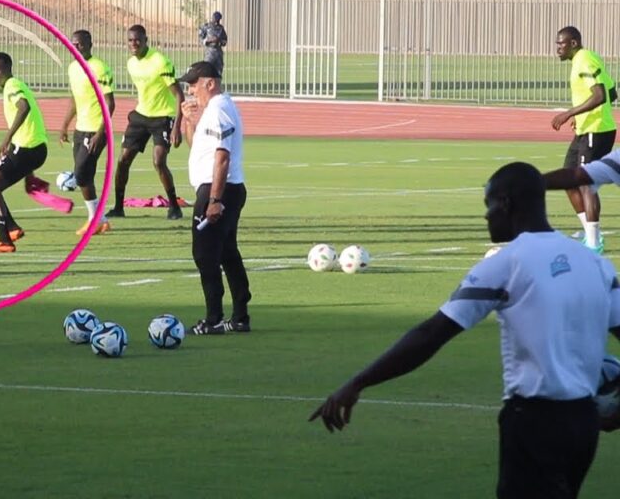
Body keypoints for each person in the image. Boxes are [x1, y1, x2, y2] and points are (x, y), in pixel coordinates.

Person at [310, 161, 620, 498]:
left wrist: (358, 382)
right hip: (583, 424)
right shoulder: (595, 263)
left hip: (534, 421)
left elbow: (431, 334)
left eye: (488, 205)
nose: (486, 217)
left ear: (506, 204)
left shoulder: (507, 263)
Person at [177, 61, 251, 335]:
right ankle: (240, 315)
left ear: (210, 83)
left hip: (219, 189)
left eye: (194, 84)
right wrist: (188, 121)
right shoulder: (213, 110)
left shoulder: (219, 109)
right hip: (221, 188)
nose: (190, 90)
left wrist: (215, 200)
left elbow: (222, 157)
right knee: (227, 252)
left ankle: (214, 318)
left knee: (205, 254)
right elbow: (197, 146)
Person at [105, 25, 185, 220]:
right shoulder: (131, 63)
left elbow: (179, 95)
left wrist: (176, 127)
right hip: (141, 116)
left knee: (158, 162)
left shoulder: (160, 62)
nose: (134, 44)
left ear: (146, 40)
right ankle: (118, 207)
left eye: (138, 40)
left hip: (162, 117)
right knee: (123, 160)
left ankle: (174, 207)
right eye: (130, 40)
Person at [0, 52, 48, 253]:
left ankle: (4, 240)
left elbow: (23, 108)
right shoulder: (12, 86)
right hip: (30, 149)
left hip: (26, 149)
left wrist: (7, 137)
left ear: (7, 68)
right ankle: (12, 228)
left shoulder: (12, 86)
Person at [551, 26, 616, 254]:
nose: (558, 48)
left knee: (585, 183)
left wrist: (570, 112)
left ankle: (594, 243)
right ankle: (589, 233)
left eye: (561, 44)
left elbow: (600, 95)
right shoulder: (587, 58)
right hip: (588, 128)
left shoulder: (584, 60)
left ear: (574, 43)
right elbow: (613, 91)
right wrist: (581, 116)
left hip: (596, 131)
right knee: (569, 179)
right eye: (557, 44)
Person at [59, 29, 115, 236]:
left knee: (81, 174)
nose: (76, 49)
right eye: (73, 45)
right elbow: (74, 99)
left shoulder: (99, 68)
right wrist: (65, 124)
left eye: (80, 45)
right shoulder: (73, 68)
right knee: (85, 175)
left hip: (96, 129)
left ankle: (95, 219)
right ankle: (101, 220)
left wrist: (101, 133)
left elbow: (110, 104)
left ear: (90, 44)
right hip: (80, 129)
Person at [198, 11, 227, 75]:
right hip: (210, 52)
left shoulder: (221, 28)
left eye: (218, 20)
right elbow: (200, 37)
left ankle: (217, 84)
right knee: (207, 70)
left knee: (219, 71)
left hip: (218, 53)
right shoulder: (206, 27)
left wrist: (219, 41)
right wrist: (208, 41)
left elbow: (224, 40)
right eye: (215, 20)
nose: (216, 22)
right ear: (212, 18)